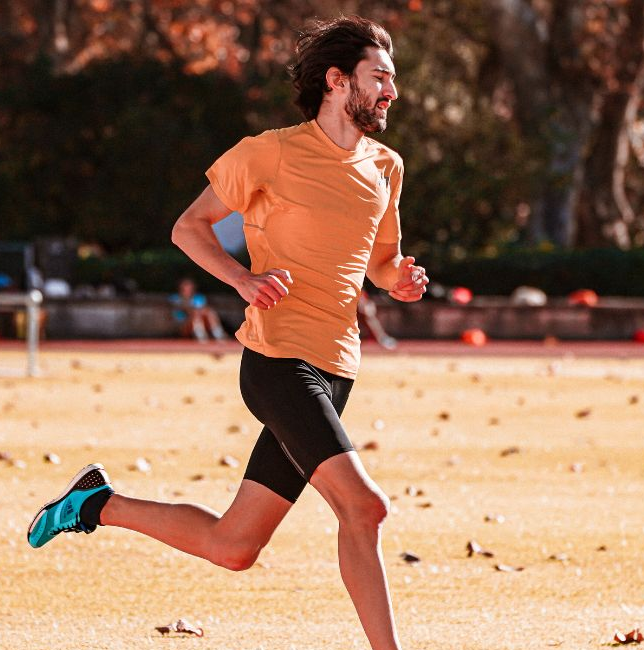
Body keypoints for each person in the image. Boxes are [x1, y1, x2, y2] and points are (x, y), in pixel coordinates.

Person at [26, 16, 428, 650]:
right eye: (380, 77)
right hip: (278, 363)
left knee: (234, 546)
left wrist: (398, 279)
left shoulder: (387, 166)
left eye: (392, 80)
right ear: (335, 79)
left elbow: (380, 261)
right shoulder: (268, 152)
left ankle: (95, 505)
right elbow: (189, 228)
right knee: (366, 507)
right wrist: (242, 281)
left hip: (337, 368)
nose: (391, 92)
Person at [169, 277, 227, 342]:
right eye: (185, 288)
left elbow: (203, 309)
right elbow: (180, 310)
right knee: (196, 313)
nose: (188, 290)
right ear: (181, 288)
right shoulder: (175, 298)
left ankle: (218, 334)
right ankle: (201, 336)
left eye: (190, 288)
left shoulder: (199, 297)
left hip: (200, 322)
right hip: (183, 326)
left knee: (210, 312)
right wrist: (190, 309)